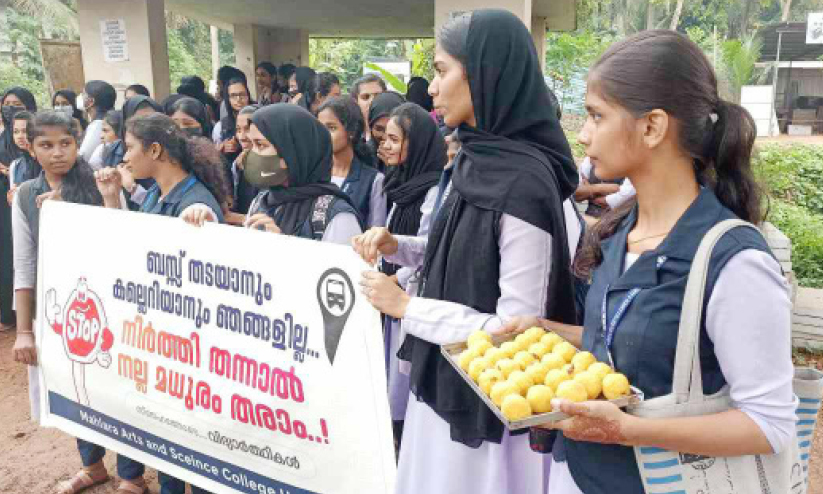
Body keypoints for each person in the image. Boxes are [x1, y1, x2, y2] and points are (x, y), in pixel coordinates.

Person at [494, 30, 796, 494]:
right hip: (580, 476)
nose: (583, 133)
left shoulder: (733, 262)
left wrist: (628, 429)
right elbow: (625, 338)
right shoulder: (619, 232)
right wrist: (543, 328)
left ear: (652, 126)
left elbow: (768, 424)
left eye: (597, 115)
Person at [352, 10, 580, 494]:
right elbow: (459, 254)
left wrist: (408, 309)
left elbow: (518, 328)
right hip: (443, 381)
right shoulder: (473, 157)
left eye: (441, 70)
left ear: (483, 74)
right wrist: (400, 247)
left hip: (492, 410)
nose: (432, 88)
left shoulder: (524, 183)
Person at [10, 110, 147, 494]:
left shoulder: (100, 183)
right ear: (31, 149)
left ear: (77, 143)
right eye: (46, 145)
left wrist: (98, 199)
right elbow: (25, 264)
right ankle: (92, 466)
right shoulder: (26, 195)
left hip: (108, 307)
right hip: (60, 311)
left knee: (116, 390)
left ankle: (131, 474)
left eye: (65, 143)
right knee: (74, 388)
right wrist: (24, 331)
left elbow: (123, 242)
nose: (57, 153)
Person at [95, 114, 228, 494]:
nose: (124, 156)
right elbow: (136, 253)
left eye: (130, 147)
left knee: (195, 443)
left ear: (155, 150)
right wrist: (111, 199)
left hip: (189, 347)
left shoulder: (196, 205)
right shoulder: (157, 194)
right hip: (162, 340)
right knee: (167, 434)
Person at [378, 102, 447, 446]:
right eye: (385, 138)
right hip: (388, 295)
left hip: (409, 297)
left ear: (416, 143)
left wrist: (396, 280)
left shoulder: (433, 190)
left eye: (395, 139)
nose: (386, 146)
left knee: (403, 384)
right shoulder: (399, 183)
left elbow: (428, 247)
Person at [223, 104, 363, 244]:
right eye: (252, 144)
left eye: (260, 145)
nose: (252, 153)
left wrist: (283, 246)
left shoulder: (337, 216)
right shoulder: (261, 201)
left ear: (291, 151)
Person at [317, 96, 387, 228]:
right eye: (320, 128)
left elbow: (376, 231)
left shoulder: (373, 180)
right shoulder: (314, 174)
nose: (323, 135)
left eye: (331, 128)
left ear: (351, 131)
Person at [0, 86, 37, 332]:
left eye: (26, 131)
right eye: (16, 131)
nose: (21, 136)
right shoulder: (16, 164)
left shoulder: (43, 158)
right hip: (14, 217)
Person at [226, 104, 261, 224]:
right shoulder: (237, 163)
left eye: (248, 129)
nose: (241, 137)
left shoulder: (274, 168)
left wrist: (236, 218)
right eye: (238, 130)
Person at [574, 155, 636, 223]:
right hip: (589, 219)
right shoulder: (589, 158)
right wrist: (601, 188)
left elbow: (622, 200)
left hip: (618, 224)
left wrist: (588, 191)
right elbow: (576, 194)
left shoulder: (632, 162)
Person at [213, 77, 252, 185]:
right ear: (227, 98)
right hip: (231, 178)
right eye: (233, 96)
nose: (238, 99)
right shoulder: (221, 127)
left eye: (242, 94)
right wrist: (222, 148)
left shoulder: (260, 118)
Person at [78, 81, 117, 162]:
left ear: (90, 102)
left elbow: (83, 156)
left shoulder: (98, 125)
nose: (80, 97)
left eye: (83, 94)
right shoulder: (105, 122)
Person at [367, 92, 405, 172]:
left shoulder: (417, 158)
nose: (385, 137)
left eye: (393, 130)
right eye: (379, 129)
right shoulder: (362, 156)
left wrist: (394, 169)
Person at [8, 111, 40, 189]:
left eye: (24, 131)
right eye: (16, 132)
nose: (19, 136)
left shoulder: (46, 161)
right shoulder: (15, 165)